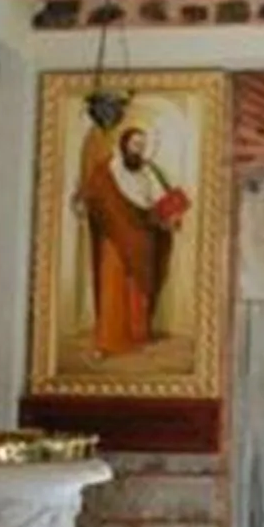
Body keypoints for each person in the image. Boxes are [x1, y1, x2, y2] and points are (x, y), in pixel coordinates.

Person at [74, 124, 187, 359]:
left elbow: (159, 201)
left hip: (143, 236)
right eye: (135, 144)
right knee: (113, 286)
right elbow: (90, 193)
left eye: (143, 145)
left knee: (138, 286)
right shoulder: (107, 169)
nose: (139, 149)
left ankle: (137, 335)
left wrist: (171, 214)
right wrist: (82, 201)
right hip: (114, 236)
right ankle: (110, 341)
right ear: (124, 145)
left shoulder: (149, 171)